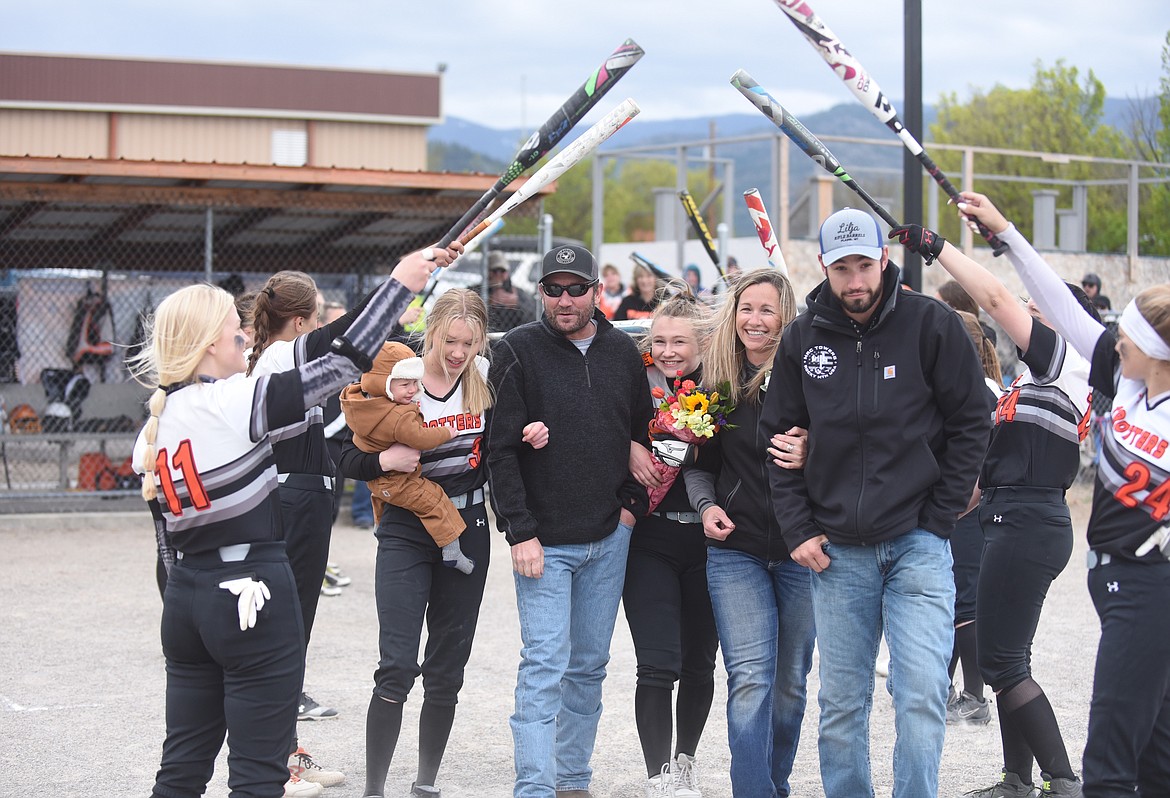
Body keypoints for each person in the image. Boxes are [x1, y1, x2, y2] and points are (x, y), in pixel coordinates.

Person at [129, 245, 447, 798]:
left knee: (180, 769)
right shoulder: (231, 401)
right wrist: (398, 285)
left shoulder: (164, 417)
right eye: (235, 331)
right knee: (257, 777)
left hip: (187, 598)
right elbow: (344, 365)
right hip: (248, 593)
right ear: (208, 344)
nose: (246, 337)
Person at [921, 191, 1170, 797]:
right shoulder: (1120, 379)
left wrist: (939, 248)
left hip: (1128, 568)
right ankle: (1017, 776)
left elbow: (1000, 299)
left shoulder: (1074, 365)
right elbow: (1056, 296)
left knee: (1103, 752)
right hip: (1091, 561)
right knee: (1151, 749)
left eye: (1127, 335)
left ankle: (1057, 780)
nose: (1115, 340)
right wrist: (1003, 230)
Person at [762, 207, 993, 798]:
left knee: (919, 694)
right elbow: (779, 440)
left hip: (917, 541)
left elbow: (972, 423)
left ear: (883, 260)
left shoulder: (930, 324)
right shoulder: (802, 338)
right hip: (837, 552)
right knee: (841, 704)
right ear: (825, 267)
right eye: (842, 269)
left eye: (865, 265)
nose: (855, 280)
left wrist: (939, 517)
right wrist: (797, 529)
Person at [339, 288, 543, 798]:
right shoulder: (398, 374)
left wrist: (528, 435)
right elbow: (344, 453)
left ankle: (425, 785)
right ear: (431, 333)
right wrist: (382, 463)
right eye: (449, 341)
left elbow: (500, 446)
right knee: (397, 665)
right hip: (408, 527)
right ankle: (374, 790)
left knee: (447, 667)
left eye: (469, 343)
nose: (457, 353)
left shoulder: (483, 378)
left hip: (468, 525)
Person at [486, 243, 652, 798]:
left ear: (595, 292)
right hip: (544, 544)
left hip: (609, 536)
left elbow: (642, 435)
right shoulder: (517, 350)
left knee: (588, 668)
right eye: (553, 289)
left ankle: (573, 781)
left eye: (575, 288)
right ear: (541, 293)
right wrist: (521, 530)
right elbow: (499, 451)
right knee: (544, 667)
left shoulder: (623, 354)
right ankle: (534, 787)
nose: (564, 298)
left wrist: (630, 512)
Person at [681, 267, 815, 798]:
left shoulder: (809, 379)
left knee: (789, 686)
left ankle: (775, 783)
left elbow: (853, 453)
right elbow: (698, 466)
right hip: (734, 550)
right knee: (751, 680)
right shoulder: (716, 384)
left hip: (804, 550)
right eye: (746, 309)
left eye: (766, 309)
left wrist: (814, 453)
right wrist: (706, 505)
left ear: (786, 315)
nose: (754, 321)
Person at [622, 288, 720, 798]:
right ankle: (659, 774)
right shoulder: (637, 385)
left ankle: (685, 762)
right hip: (651, 537)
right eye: (658, 341)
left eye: (678, 341)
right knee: (656, 661)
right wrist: (632, 444)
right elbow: (602, 428)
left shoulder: (720, 387)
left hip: (708, 542)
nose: (667, 351)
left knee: (700, 661)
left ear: (702, 343)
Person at [340, 340, 474, 574]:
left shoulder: (363, 403)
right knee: (433, 500)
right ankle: (452, 550)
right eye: (405, 384)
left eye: (415, 383)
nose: (412, 390)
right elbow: (420, 438)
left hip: (381, 482)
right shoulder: (398, 417)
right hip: (398, 479)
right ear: (384, 383)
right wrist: (447, 432)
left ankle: (378, 525)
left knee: (381, 495)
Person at [944, 310, 1003, 730]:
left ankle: (974, 697)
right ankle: (941, 686)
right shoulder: (974, 385)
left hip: (969, 510)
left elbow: (982, 461)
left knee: (966, 602)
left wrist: (959, 505)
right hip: (960, 509)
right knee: (951, 602)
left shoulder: (981, 391)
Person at [486, 251, 539, 333]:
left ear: (507, 273)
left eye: (502, 271)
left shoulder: (518, 293)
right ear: (488, 272)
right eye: (494, 271)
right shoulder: (479, 291)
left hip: (513, 335)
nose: (498, 275)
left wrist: (516, 304)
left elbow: (534, 317)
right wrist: (488, 301)